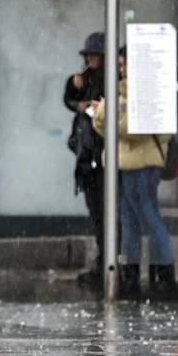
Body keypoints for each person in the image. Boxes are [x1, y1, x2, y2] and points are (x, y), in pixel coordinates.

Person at [92, 48, 178, 302]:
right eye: (119, 65)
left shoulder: (148, 93)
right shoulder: (120, 91)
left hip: (142, 165)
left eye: (124, 64)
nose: (120, 69)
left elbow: (132, 127)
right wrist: (106, 115)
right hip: (123, 164)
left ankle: (164, 276)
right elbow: (103, 125)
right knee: (129, 221)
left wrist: (105, 114)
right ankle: (131, 277)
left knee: (148, 217)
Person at [63, 32, 106, 289]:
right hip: (86, 158)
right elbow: (69, 100)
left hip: (98, 157)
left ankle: (108, 263)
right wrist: (74, 89)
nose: (89, 60)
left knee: (104, 214)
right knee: (96, 213)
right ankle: (103, 262)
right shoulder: (85, 79)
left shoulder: (108, 81)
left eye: (93, 56)